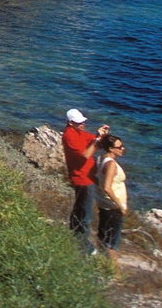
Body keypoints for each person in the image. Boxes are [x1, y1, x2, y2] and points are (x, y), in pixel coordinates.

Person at [62, 107, 110, 245]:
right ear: (70, 123)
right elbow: (86, 155)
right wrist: (96, 141)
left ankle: (74, 236)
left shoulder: (80, 133)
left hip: (88, 176)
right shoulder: (69, 136)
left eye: (83, 121)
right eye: (79, 122)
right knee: (85, 212)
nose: (82, 124)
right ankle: (82, 244)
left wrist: (101, 135)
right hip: (82, 179)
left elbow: (96, 142)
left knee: (80, 209)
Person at [94, 134, 129, 258]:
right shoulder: (111, 165)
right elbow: (107, 187)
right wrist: (120, 206)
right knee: (112, 242)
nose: (123, 149)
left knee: (103, 235)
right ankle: (113, 272)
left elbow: (95, 177)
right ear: (111, 149)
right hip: (112, 206)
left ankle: (100, 261)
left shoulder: (100, 158)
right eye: (119, 147)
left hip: (103, 203)